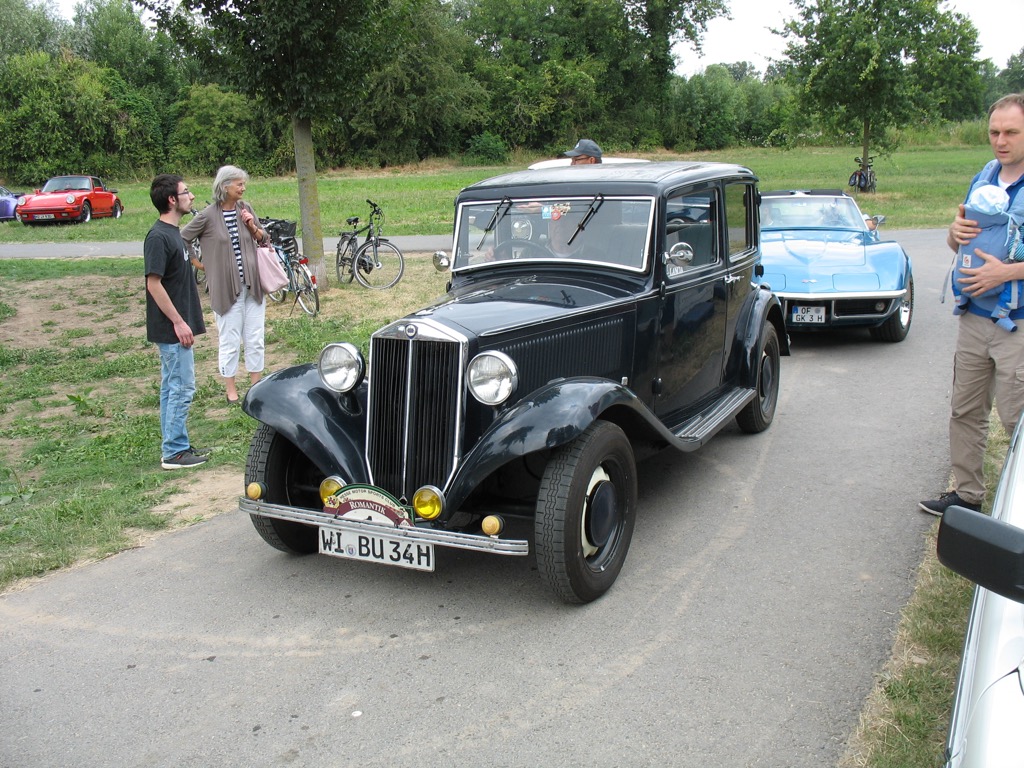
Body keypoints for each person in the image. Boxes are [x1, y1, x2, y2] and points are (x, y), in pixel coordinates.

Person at [919, 93, 1024, 516]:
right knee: (965, 411)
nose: (1000, 141)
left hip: (1017, 325)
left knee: (1017, 423)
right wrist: (953, 231)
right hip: (974, 319)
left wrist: (1008, 273)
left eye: (1011, 132)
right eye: (994, 132)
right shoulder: (984, 177)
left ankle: (1017, 511)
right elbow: (955, 244)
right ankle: (966, 496)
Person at [181, 165, 269, 405]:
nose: (243, 188)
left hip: (253, 286)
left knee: (255, 339)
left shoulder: (245, 208)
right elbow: (183, 237)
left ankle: (256, 387)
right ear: (224, 186)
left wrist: (252, 226)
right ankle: (231, 390)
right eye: (238, 184)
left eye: (243, 183)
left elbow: (263, 239)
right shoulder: (208, 216)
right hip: (226, 290)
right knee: (230, 340)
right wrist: (199, 263)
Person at [144, 174, 208, 470]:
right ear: (172, 199)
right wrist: (179, 323)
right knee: (182, 387)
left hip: (177, 326)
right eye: (186, 192)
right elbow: (153, 284)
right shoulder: (158, 237)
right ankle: (174, 452)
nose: (191, 196)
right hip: (172, 329)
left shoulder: (174, 234)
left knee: (172, 387)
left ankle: (176, 444)